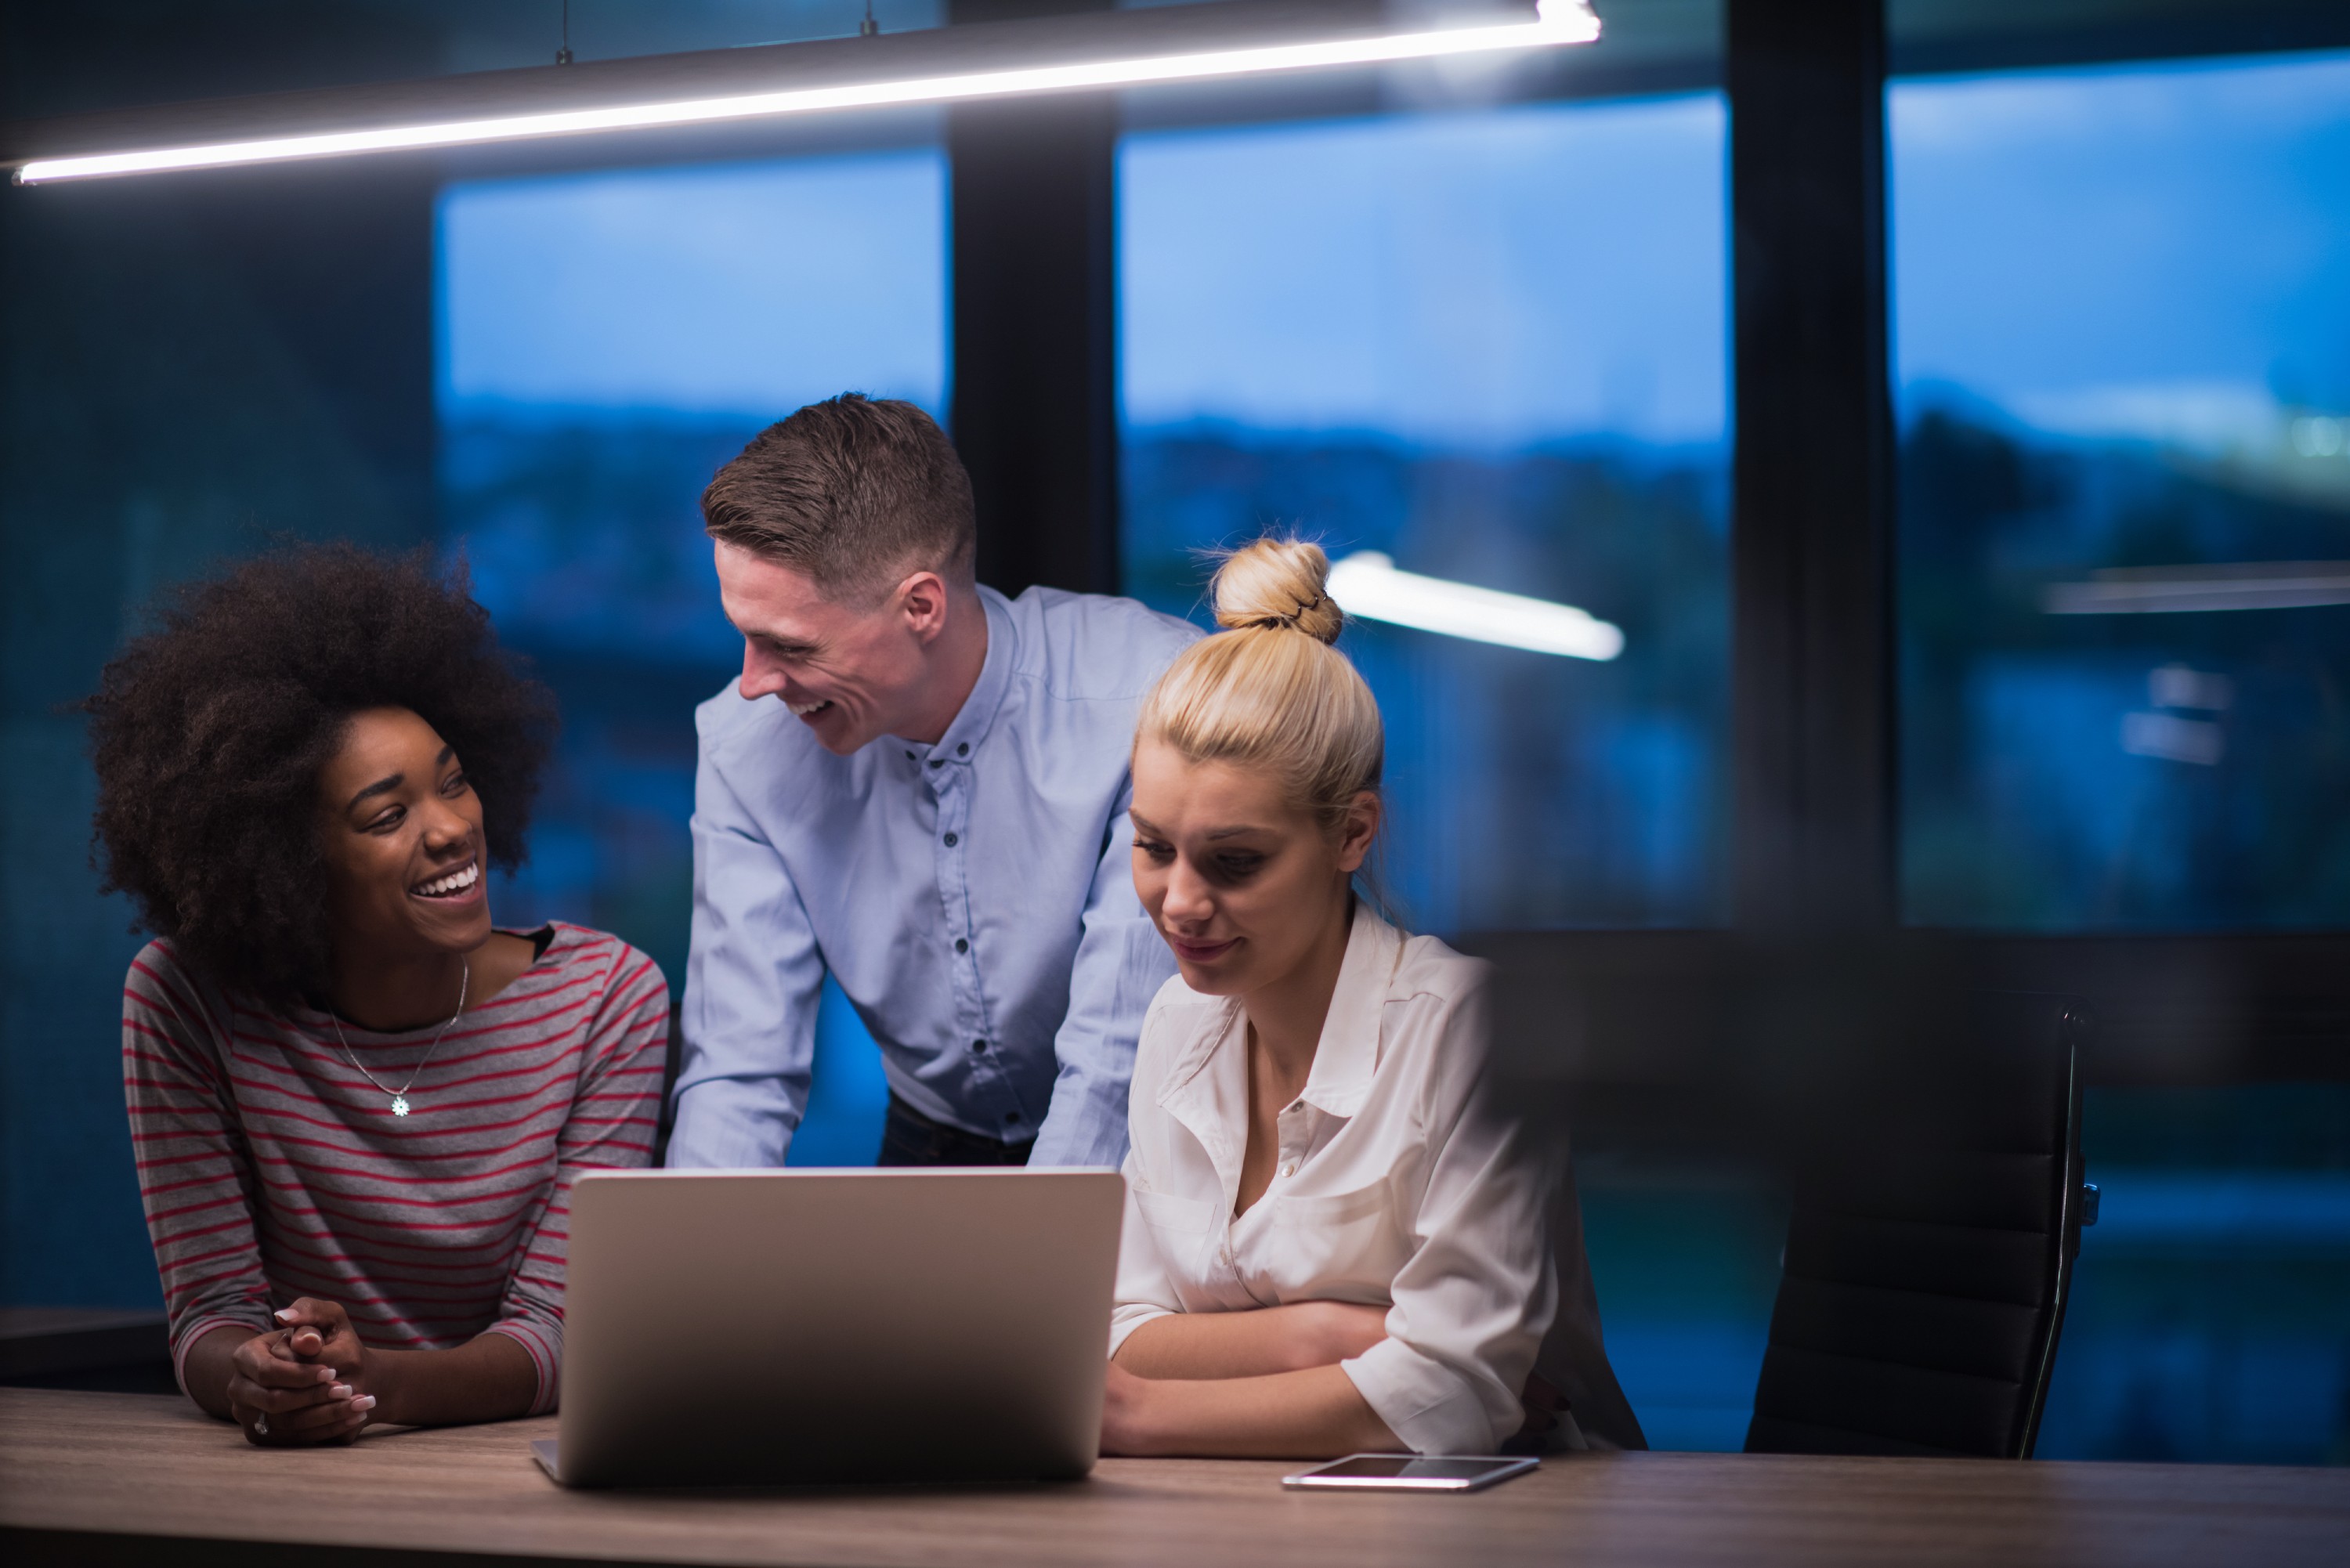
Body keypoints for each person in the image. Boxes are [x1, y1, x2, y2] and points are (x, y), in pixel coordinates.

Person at [91, 545, 669, 1446]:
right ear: (288, 864)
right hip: (284, 1492)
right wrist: (261, 1377)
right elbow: (210, 1314)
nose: (450, 829)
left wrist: (372, 1385)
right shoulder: (187, 1003)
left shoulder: (608, 999)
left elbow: (559, 1332)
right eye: (388, 815)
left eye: (453, 780)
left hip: (517, 1476)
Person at [1098, 537, 1644, 1458]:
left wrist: (1137, 1415)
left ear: (1352, 833)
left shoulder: (1471, 1029)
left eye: (1234, 861)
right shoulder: (1177, 1026)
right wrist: (1334, 1334)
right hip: (1243, 1510)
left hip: (1515, 1518)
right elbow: (1117, 1330)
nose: (1181, 902)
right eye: (1154, 846)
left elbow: (1453, 1396)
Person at [665, 395, 1199, 1170]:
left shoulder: (1152, 700)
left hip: (1153, 1133)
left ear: (921, 605)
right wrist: (687, 1282)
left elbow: (1112, 1074)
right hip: (928, 1138)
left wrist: (1046, 1279)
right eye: (742, 637)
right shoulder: (743, 745)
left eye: (787, 645)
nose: (751, 682)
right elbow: (739, 1075)